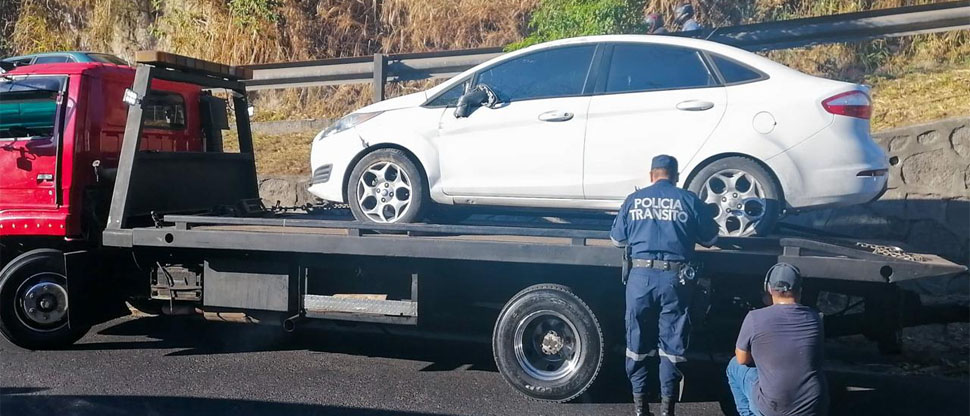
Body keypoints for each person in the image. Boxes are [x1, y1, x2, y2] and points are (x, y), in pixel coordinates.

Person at [611, 155, 719, 416]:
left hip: (640, 278)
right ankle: (667, 408)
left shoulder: (633, 200)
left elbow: (617, 239)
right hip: (676, 280)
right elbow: (711, 237)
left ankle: (640, 407)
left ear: (651, 175)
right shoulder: (689, 200)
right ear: (676, 176)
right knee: (672, 344)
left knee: (636, 340)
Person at [726, 263, 829, 416]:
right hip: (813, 407)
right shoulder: (816, 318)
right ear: (800, 290)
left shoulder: (754, 318)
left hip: (775, 408)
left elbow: (742, 359)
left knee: (734, 366)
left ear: (768, 289)